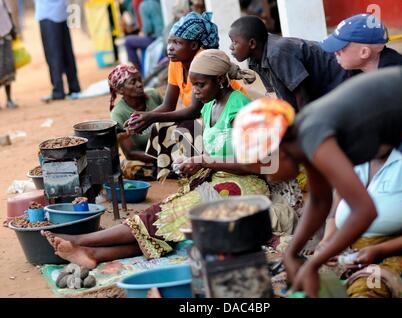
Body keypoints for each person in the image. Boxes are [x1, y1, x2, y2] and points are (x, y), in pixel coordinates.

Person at [232, 65, 402, 298]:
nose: (269, 177)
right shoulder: (306, 138)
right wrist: (292, 253)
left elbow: (365, 210)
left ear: (279, 151)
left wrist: (314, 265)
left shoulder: (314, 136)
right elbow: (319, 201)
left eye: (266, 168)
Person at [40, 48, 268, 269]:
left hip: (246, 185)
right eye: (193, 85)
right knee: (168, 222)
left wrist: (202, 161)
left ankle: (82, 240)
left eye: (200, 85)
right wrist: (194, 163)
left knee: (170, 213)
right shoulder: (209, 106)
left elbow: (257, 165)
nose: (195, 92)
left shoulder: (239, 107)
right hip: (217, 177)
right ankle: (94, 254)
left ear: (220, 80)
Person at [128, 11, 248, 180]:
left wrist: (151, 116)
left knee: (186, 126)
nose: (170, 47)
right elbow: (168, 105)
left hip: (221, 116)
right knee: (160, 126)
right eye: (170, 42)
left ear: (193, 46)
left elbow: (193, 110)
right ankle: (177, 168)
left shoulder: (202, 63)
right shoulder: (175, 63)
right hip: (205, 114)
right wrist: (147, 117)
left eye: (177, 43)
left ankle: (199, 168)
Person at [317, 149, 402, 297]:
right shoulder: (354, 158)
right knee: (310, 280)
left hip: (400, 253)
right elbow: (335, 211)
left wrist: (380, 250)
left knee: (367, 289)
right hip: (351, 253)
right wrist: (327, 241)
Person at [228, 15, 350, 112]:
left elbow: (302, 95)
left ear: (252, 44)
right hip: (321, 91)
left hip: (340, 77)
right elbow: (276, 96)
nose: (231, 47)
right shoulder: (254, 59)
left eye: (234, 42)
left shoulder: (277, 53)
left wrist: (303, 127)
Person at [108, 64, 163, 180]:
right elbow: (130, 153)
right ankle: (172, 168)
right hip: (148, 158)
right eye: (133, 82)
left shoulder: (153, 95)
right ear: (120, 90)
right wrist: (162, 158)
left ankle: (171, 168)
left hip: (171, 147)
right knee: (128, 167)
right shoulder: (118, 114)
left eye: (139, 79)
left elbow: (172, 121)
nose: (139, 84)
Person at [319, 14, 402, 73]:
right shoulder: (365, 67)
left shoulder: (391, 72)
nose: (336, 52)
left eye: (340, 47)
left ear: (364, 52)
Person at [34, 0, 81, 103]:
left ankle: (58, 91)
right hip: (61, 12)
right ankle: (74, 87)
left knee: (53, 55)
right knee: (66, 52)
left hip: (47, 13)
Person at [124, 0, 164, 71]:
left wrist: (142, 33)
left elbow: (148, 28)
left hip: (156, 39)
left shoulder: (144, 5)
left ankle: (137, 71)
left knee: (128, 42)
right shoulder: (157, 2)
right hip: (163, 36)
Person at [0, 0, 18, 109]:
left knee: (8, 67)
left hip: (6, 34)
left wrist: (13, 29)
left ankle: (9, 99)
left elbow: (8, 11)